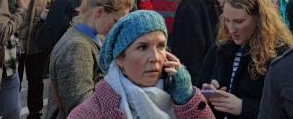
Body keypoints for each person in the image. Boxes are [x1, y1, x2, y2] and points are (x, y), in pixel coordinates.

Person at [68, 10, 215, 119]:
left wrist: (187, 98)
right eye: (142, 47)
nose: (155, 57)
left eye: (161, 46)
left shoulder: (179, 98)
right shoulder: (89, 113)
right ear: (120, 58)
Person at [199, 0, 293, 118]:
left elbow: (289, 108)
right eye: (227, 20)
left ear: (259, 18)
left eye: (239, 22)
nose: (231, 29)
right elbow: (198, 89)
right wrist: (207, 92)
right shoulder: (219, 48)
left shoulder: (281, 53)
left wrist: (244, 107)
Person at [46, 0, 134, 119]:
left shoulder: (92, 36)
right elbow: (81, 109)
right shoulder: (77, 48)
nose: (118, 29)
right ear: (99, 12)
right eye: (116, 21)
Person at [16, 0, 60, 119]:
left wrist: (47, 13)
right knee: (14, 83)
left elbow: (56, 7)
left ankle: (34, 113)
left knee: (35, 82)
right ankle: (12, 111)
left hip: (37, 41)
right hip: (18, 41)